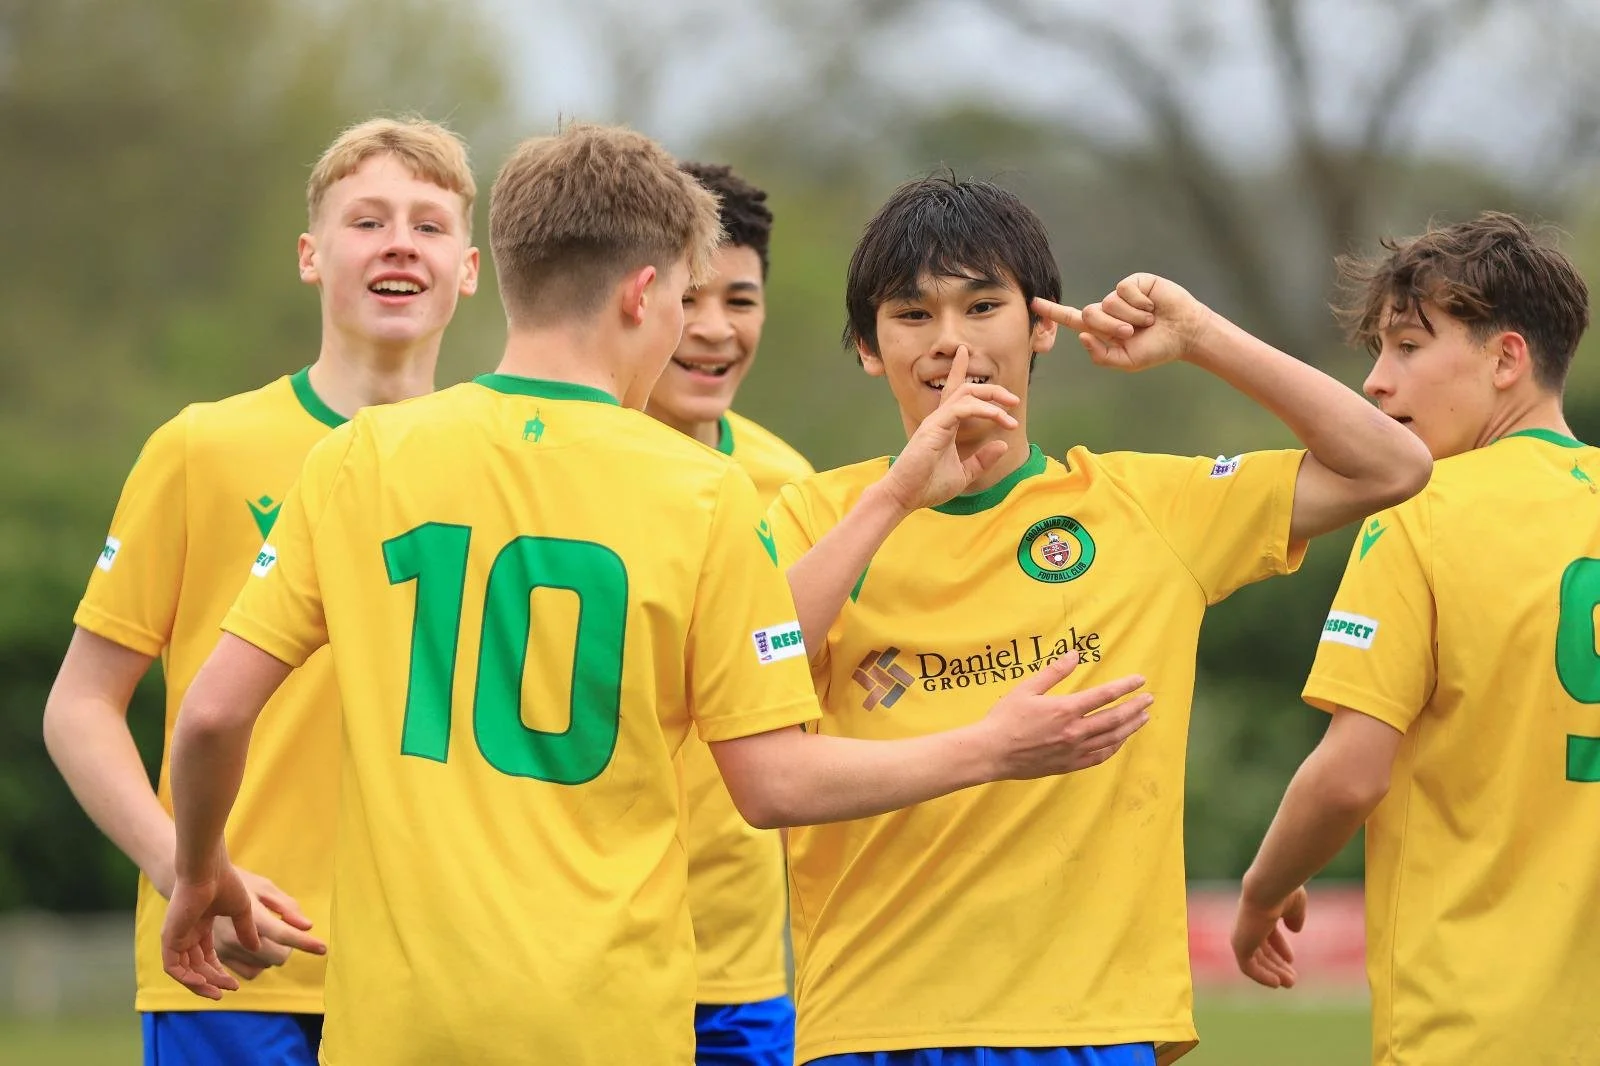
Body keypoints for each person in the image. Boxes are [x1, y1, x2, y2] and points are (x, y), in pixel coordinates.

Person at [154, 124, 1156, 1066]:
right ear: (641, 294)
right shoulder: (702, 492)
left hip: (398, 1027)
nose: (691, 326)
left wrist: (200, 873)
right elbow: (771, 786)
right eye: (684, 300)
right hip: (610, 1020)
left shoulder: (359, 458)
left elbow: (208, 715)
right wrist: (991, 746)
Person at [765, 175, 1434, 1065]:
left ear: (1043, 326)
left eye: (983, 305)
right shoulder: (812, 516)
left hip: (1095, 1024)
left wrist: (1202, 338)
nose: (950, 343)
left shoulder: (1141, 504)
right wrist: (895, 500)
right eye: (911, 316)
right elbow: (749, 677)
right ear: (866, 347)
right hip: (879, 1021)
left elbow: (1390, 465)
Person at [41, 115, 480, 1065]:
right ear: (310, 256)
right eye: (367, 221)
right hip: (230, 967)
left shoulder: (509, 467)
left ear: (471, 268)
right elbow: (80, 707)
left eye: (429, 224)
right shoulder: (203, 446)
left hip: (450, 974)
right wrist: (187, 871)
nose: (400, 240)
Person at [1229, 211, 1600, 1066]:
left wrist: (1262, 892)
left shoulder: (1422, 514)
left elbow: (1352, 777)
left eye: (1406, 347)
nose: (1375, 384)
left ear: (1507, 359)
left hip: (1476, 1027)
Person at [646, 161, 813, 1065]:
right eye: (689, 296)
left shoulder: (792, 489)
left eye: (740, 300)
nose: (714, 329)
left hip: (739, 975)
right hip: (580, 963)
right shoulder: (544, 469)